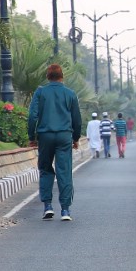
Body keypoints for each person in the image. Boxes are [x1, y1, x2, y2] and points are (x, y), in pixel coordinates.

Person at [27, 63, 82, 222]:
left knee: (45, 169)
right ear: (62, 76)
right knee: (64, 170)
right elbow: (77, 119)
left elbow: (32, 116)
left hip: (45, 135)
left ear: (47, 77)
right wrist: (76, 138)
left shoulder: (41, 92)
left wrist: (32, 137)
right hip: (64, 136)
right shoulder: (70, 94)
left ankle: (48, 206)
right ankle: (65, 209)